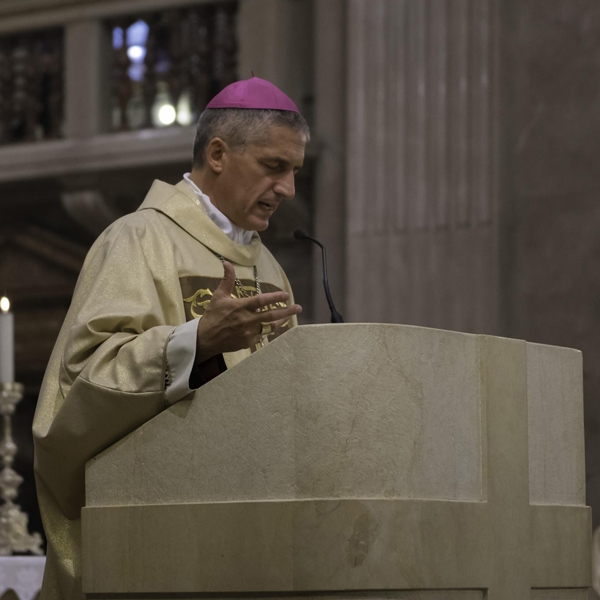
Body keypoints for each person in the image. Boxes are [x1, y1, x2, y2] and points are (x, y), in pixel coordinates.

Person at [32, 76, 308, 600]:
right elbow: (84, 382)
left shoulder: (270, 266)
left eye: (295, 171)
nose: (289, 189)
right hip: (152, 535)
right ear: (219, 153)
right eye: (274, 167)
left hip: (251, 534)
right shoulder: (137, 239)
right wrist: (195, 342)